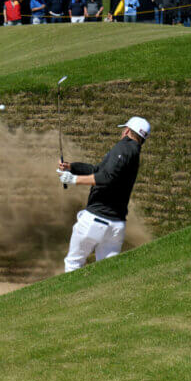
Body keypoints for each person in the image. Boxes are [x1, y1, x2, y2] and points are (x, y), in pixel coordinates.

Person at [58, 116, 150, 272]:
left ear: (127, 131)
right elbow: (99, 171)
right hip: (116, 227)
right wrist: (72, 167)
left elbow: (107, 178)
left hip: (95, 220)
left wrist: (74, 179)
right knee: (107, 273)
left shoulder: (123, 147)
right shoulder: (133, 152)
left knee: (73, 264)